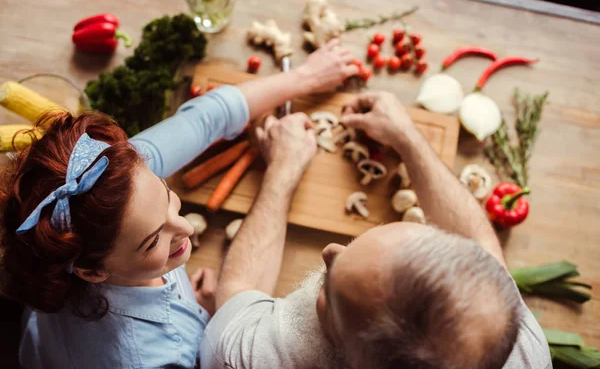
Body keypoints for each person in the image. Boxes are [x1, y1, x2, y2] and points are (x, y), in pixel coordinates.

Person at [0, 40, 359, 369]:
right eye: (152, 240)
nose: (185, 227)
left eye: (166, 197)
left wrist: (306, 77)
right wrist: (206, 324)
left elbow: (206, 118)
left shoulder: (104, 187)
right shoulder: (160, 358)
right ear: (93, 272)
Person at [200, 91, 552, 368]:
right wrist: (407, 138)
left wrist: (283, 167)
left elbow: (237, 289)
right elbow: (478, 245)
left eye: (329, 287)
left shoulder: (243, 358)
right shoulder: (522, 349)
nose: (331, 251)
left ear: (343, 350)